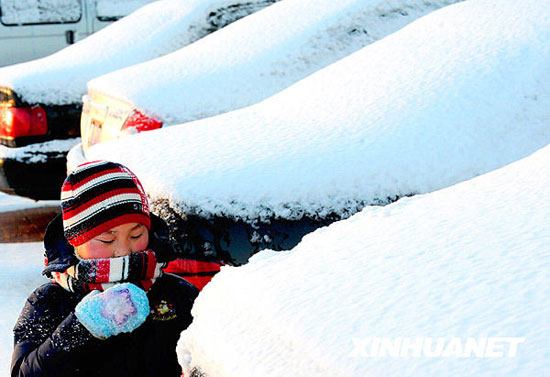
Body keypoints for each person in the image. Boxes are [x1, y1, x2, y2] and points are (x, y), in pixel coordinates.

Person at [11, 160, 199, 377]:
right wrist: (83, 327)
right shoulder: (48, 301)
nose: (123, 251)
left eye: (136, 235)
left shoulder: (178, 295)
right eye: (107, 239)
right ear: (74, 242)